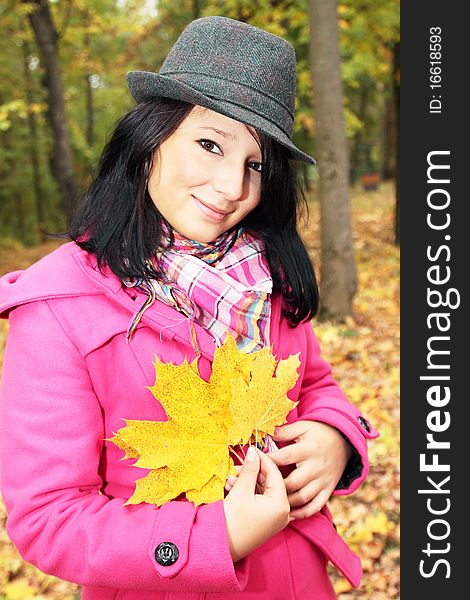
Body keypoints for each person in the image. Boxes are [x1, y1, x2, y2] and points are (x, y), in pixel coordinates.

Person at [0, 15, 378, 600]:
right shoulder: (56, 308)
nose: (232, 186)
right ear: (150, 138)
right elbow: (48, 519)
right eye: (209, 144)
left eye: (255, 164)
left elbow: (316, 385)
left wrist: (336, 438)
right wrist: (214, 537)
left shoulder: (265, 275)